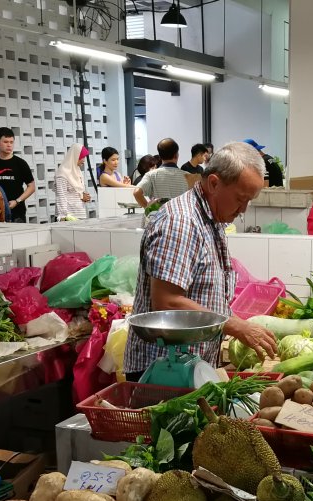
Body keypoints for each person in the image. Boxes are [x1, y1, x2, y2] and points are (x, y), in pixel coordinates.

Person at [123, 141, 277, 380]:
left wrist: (234, 323)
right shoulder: (181, 223)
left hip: (190, 367)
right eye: (240, 198)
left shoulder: (210, 218)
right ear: (214, 183)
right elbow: (168, 302)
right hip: (164, 371)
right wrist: (235, 326)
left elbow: (202, 295)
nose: (244, 209)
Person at [0, 127, 36, 223]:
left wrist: (17, 201)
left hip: (17, 211)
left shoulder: (21, 163)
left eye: (11, 142)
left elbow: (31, 187)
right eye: (6, 142)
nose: (9, 145)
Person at [133, 138, 190, 207]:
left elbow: (136, 193)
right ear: (176, 155)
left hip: (158, 216)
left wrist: (148, 209)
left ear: (160, 156)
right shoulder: (188, 176)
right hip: (181, 216)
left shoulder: (151, 175)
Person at [54, 144, 92, 221]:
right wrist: (63, 217)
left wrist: (83, 196)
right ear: (75, 156)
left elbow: (75, 193)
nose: (84, 160)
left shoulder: (77, 171)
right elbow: (61, 196)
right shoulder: (62, 174)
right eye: (82, 157)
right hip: (67, 217)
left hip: (80, 215)